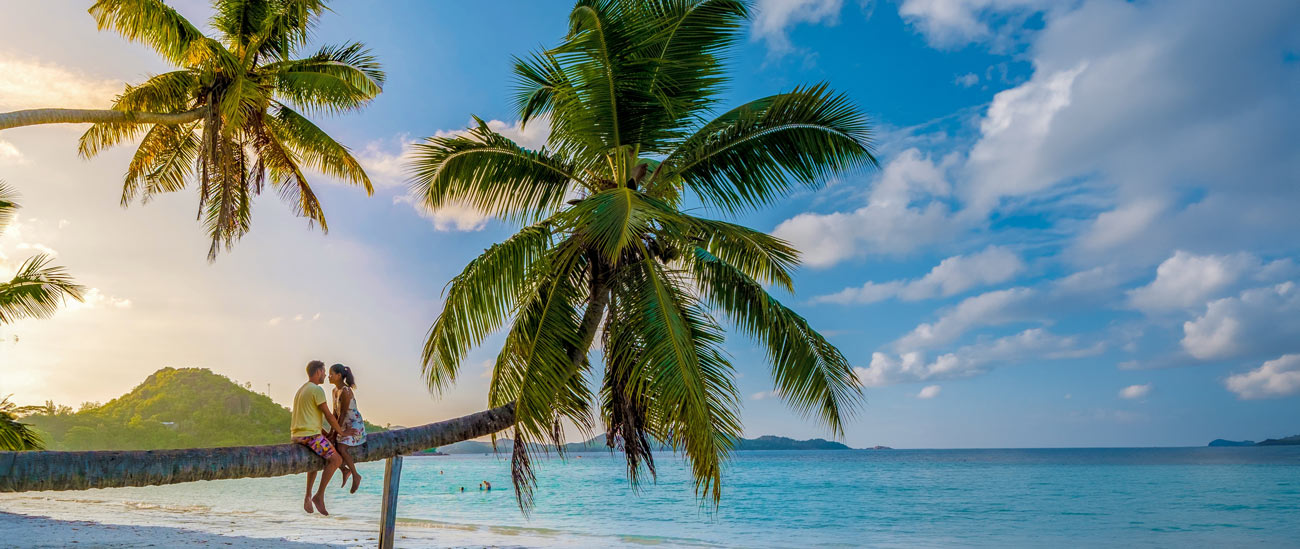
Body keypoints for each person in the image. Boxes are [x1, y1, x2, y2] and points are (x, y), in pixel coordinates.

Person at [291, 360, 357, 515]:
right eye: (324, 371)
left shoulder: (302, 390)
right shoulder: (316, 389)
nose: (326, 375)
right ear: (318, 372)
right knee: (336, 460)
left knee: (315, 461)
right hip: (310, 436)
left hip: (298, 435)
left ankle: (307, 496)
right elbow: (329, 415)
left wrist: (326, 433)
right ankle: (319, 496)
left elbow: (306, 417)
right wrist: (341, 432)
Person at [328, 363, 366, 494]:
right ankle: (344, 470)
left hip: (354, 424)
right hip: (342, 424)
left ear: (339, 376)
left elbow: (343, 413)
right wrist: (331, 432)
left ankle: (355, 475)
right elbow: (335, 413)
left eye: (331, 374)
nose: (328, 377)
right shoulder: (334, 391)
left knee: (341, 447)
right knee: (330, 444)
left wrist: (336, 433)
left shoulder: (346, 391)